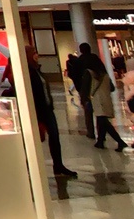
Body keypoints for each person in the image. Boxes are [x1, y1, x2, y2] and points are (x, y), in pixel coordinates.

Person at [25, 45, 76, 178]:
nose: (37, 55)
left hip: (47, 109)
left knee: (54, 136)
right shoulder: (27, 71)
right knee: (34, 140)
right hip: (37, 110)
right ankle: (31, 168)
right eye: (34, 53)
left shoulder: (37, 70)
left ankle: (58, 165)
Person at [83, 57, 126, 150]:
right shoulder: (105, 74)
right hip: (106, 99)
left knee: (104, 122)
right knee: (102, 121)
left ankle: (120, 141)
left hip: (96, 100)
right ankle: (100, 141)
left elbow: (85, 88)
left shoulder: (89, 73)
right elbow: (112, 88)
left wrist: (84, 99)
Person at [69, 43, 96, 137]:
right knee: (100, 113)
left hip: (84, 89)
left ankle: (91, 131)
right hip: (97, 88)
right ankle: (102, 133)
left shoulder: (79, 61)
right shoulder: (94, 58)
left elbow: (75, 75)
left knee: (88, 111)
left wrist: (79, 87)